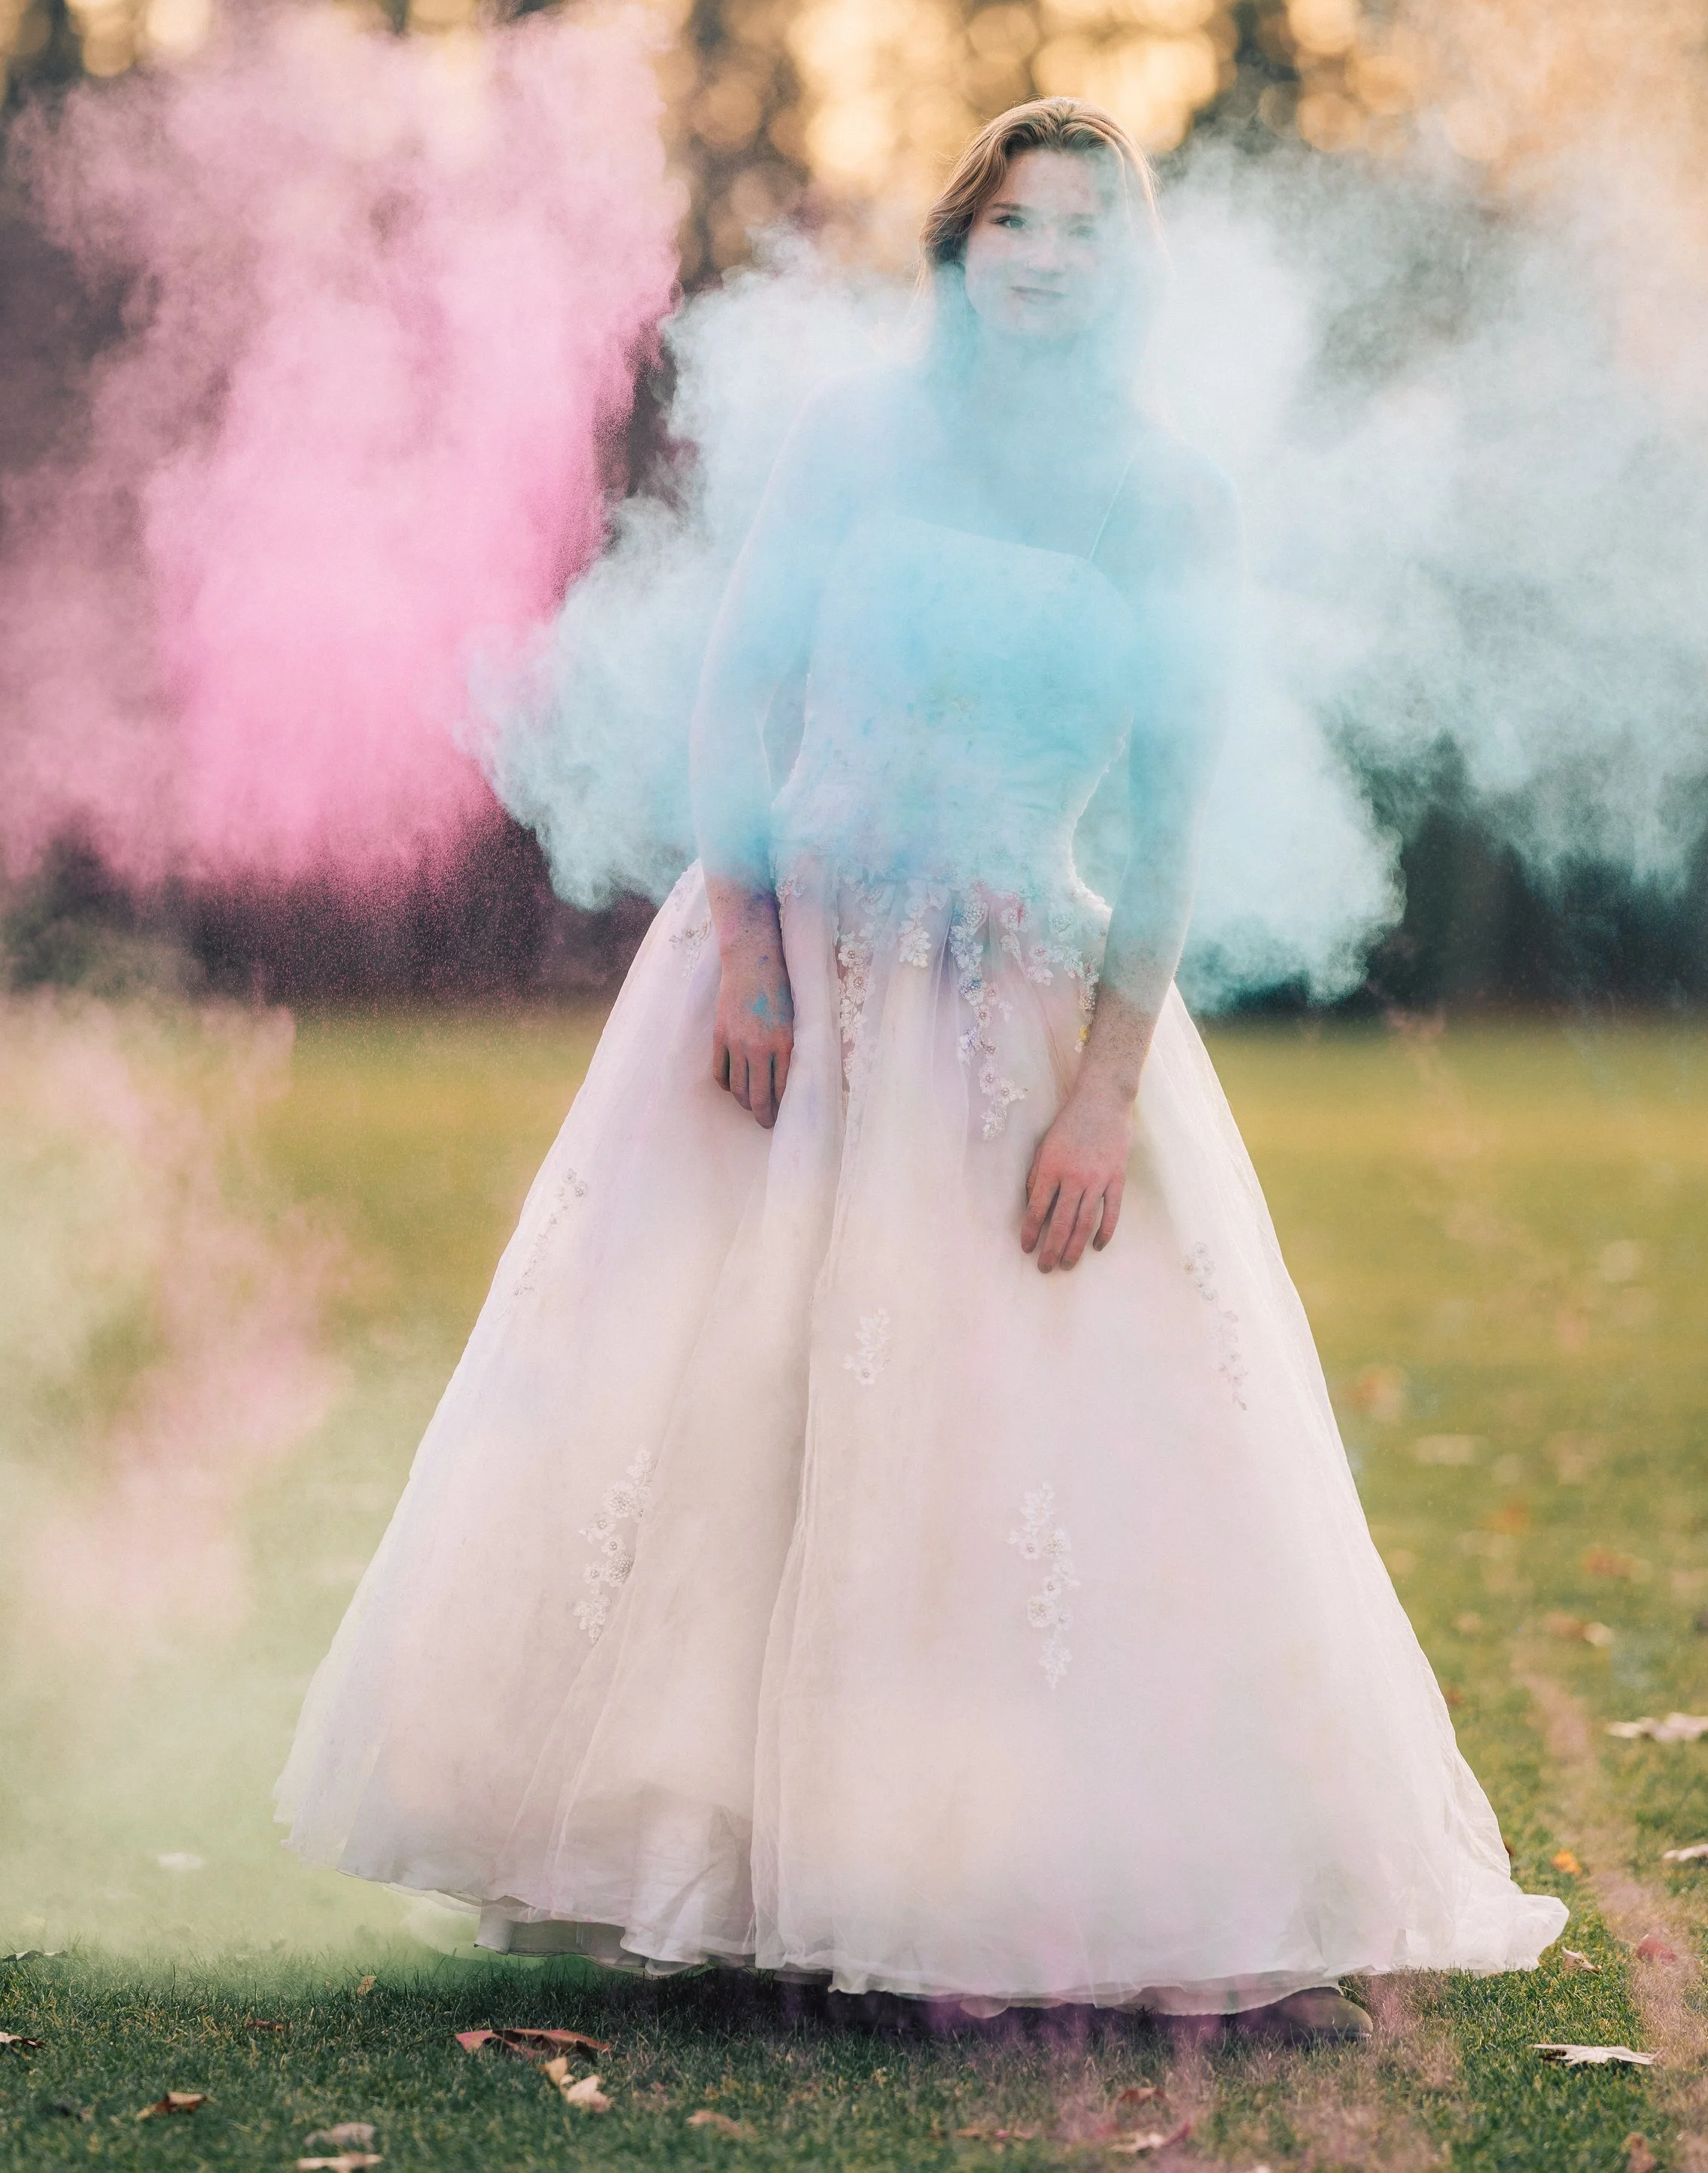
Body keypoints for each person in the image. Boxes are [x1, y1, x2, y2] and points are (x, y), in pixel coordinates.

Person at [279, 98, 1565, 2031]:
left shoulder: (1164, 501)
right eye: (1016, 226)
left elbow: (1166, 825)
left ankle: (985, 1870)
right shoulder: (854, 442)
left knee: (1008, 1420)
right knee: (714, 1392)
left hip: (1020, 1006)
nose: (1047, 261)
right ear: (961, 248)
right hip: (790, 978)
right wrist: (749, 956)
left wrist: (1106, 1090)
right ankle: (716, 1868)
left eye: (1085, 235)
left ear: (1125, 276)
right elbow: (742, 692)